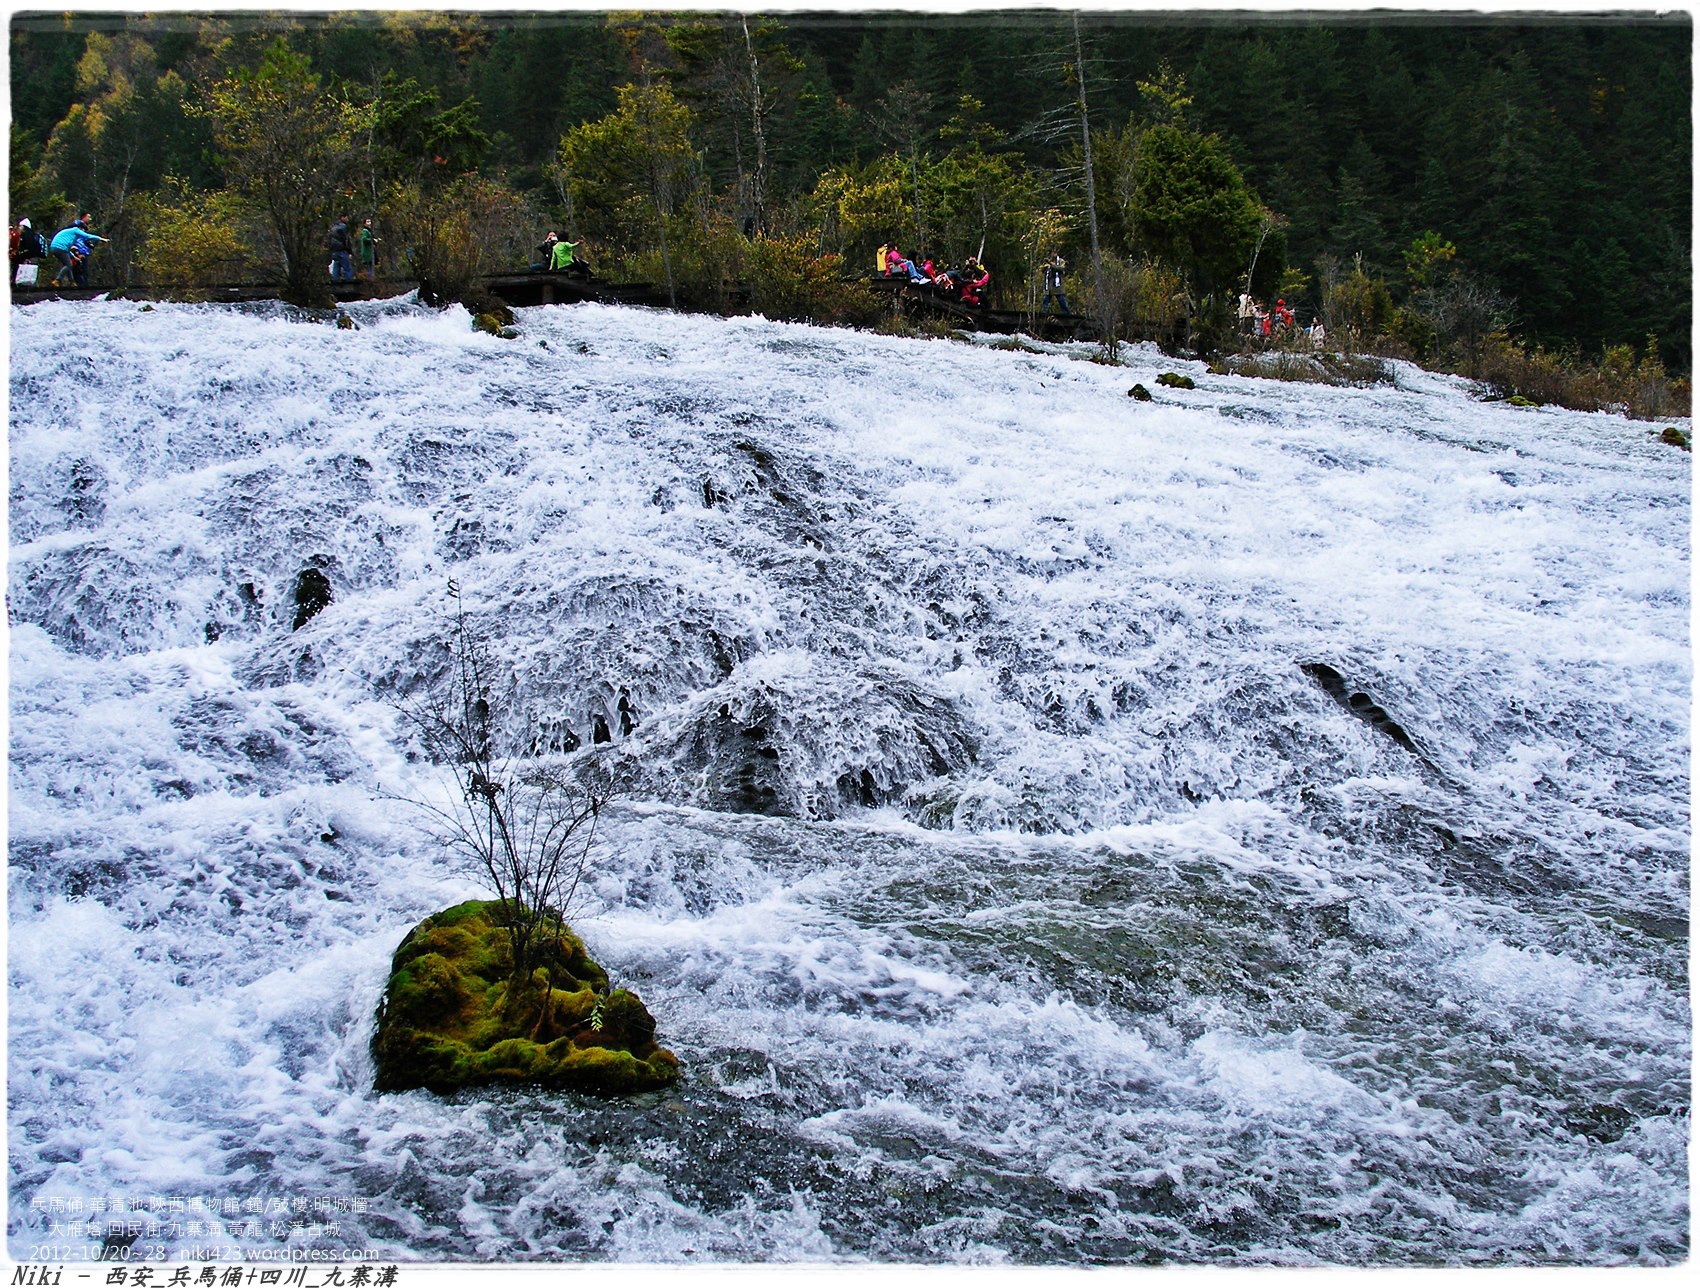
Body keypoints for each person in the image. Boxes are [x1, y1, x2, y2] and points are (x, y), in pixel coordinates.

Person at [49, 215, 107, 287]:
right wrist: (101, 239)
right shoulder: (75, 230)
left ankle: (72, 283)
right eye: (83, 230)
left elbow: (67, 250)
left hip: (55, 247)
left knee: (68, 265)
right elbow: (87, 236)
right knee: (69, 265)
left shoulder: (71, 236)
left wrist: (74, 257)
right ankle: (57, 280)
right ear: (80, 228)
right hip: (59, 247)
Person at [326, 214, 354, 282]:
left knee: (336, 267)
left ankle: (335, 285)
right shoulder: (343, 227)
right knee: (347, 268)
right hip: (342, 250)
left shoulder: (333, 227)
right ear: (343, 217)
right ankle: (349, 284)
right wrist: (350, 251)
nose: (348, 219)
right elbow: (346, 240)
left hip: (334, 251)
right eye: (346, 217)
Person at [357, 217, 378, 282]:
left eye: (370, 221)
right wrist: (372, 240)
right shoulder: (365, 231)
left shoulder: (369, 231)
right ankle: (370, 280)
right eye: (367, 222)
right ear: (364, 223)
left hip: (370, 252)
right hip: (367, 252)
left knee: (371, 266)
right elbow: (364, 239)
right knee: (369, 266)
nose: (369, 223)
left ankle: (371, 278)